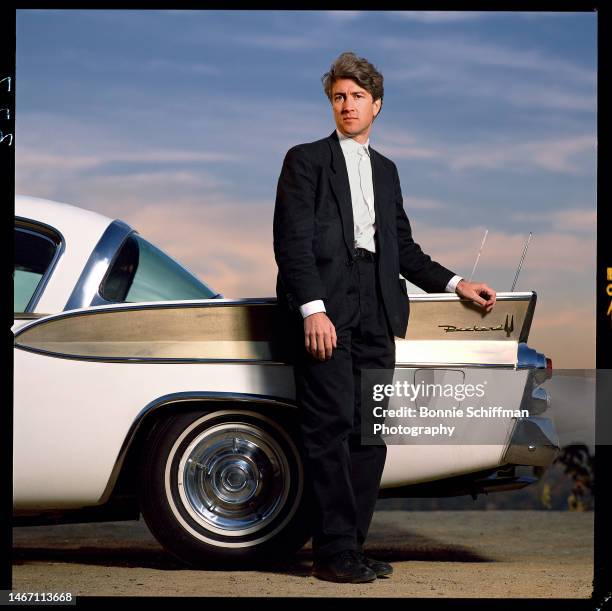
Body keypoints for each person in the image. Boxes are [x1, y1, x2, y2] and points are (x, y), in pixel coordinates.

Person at [273, 51, 496, 583]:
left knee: (368, 432)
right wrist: (313, 310)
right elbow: (292, 244)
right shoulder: (304, 160)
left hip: (379, 304)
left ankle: (352, 547)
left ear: (377, 105)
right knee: (329, 428)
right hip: (328, 306)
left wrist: (456, 283)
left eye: (355, 97)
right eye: (337, 97)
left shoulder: (387, 171)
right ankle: (331, 554)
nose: (345, 106)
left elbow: (404, 248)